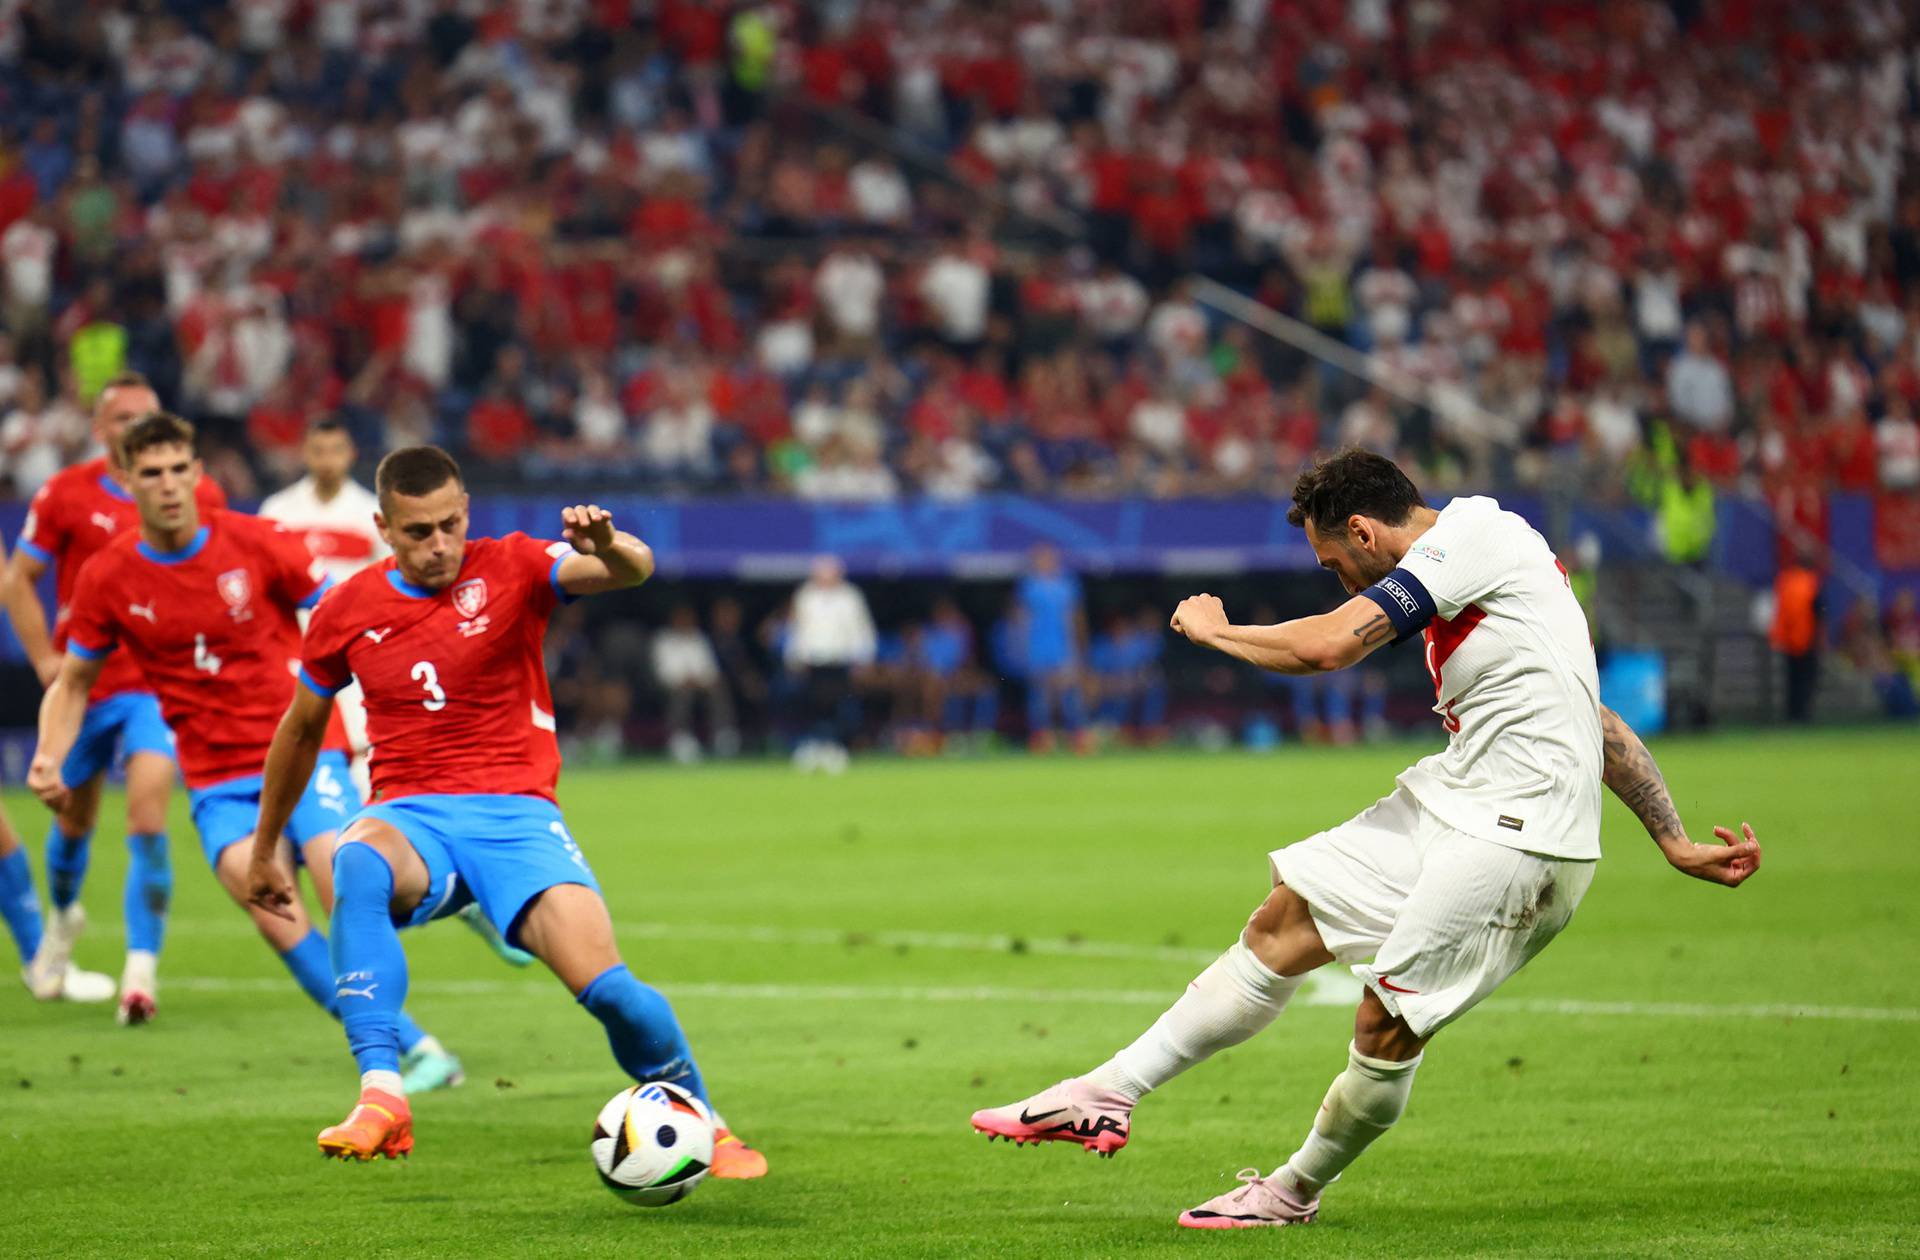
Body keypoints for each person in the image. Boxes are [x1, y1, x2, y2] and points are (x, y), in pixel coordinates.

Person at [971, 449, 1762, 1228]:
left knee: (1386, 1022)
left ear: (1363, 530)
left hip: (1522, 835)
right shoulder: (1494, 581)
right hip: (1462, 799)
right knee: (1281, 924)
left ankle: (1291, 1192)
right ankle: (1105, 1093)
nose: (1340, 578)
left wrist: (1216, 632)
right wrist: (1671, 836)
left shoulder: (1471, 538)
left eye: (1332, 561)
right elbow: (1593, 720)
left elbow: (1331, 645)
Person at [242, 446, 767, 1175]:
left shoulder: (513, 564)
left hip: (515, 816)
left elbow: (633, 569)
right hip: (410, 814)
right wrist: (268, 846)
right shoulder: (343, 609)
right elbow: (301, 729)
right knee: (353, 860)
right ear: (383, 528)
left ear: (466, 513)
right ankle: (383, 1093)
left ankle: (704, 1120)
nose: (438, 545)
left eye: (450, 524)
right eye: (418, 531)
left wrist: (608, 544)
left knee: (612, 991)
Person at [26, 413, 465, 1092]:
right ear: (127, 481)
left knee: (344, 887)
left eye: (179, 469)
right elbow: (73, 681)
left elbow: (345, 617)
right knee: (279, 918)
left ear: (198, 472)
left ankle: (451, 892)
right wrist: (49, 754)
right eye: (152, 473)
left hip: (300, 755)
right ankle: (416, 1051)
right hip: (218, 784)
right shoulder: (109, 577)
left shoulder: (257, 542)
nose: (169, 485)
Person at [261, 416, 528, 964]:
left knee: (359, 850)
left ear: (348, 450)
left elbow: (391, 589)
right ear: (305, 451)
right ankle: (454, 898)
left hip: (367, 671)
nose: (328, 458)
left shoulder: (369, 513)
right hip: (304, 673)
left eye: (337, 447)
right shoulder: (277, 515)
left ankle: (449, 893)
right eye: (318, 448)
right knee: (341, 859)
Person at [3, 372, 221, 1014]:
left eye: (146, 416)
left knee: (149, 807)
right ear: (100, 430)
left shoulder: (196, 492)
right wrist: (46, 659)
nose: (136, 428)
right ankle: (63, 917)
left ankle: (140, 974)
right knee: (72, 819)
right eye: (123, 418)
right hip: (87, 684)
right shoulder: (67, 493)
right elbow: (21, 579)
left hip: (156, 685)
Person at [784, 555, 876, 773]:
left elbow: (861, 630)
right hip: (813, 662)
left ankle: (835, 747)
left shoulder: (850, 597)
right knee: (814, 707)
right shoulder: (805, 596)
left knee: (837, 706)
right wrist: (793, 657)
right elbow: (798, 630)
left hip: (839, 661)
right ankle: (814, 747)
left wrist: (863, 658)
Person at [1015, 545, 1089, 752]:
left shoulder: (1067, 584)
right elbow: (1022, 618)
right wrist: (1022, 646)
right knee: (1041, 695)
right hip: (1038, 647)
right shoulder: (1029, 585)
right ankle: (1041, 738)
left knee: (1069, 694)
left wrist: (1081, 646)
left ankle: (1077, 737)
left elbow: (1076, 617)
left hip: (1064, 646)